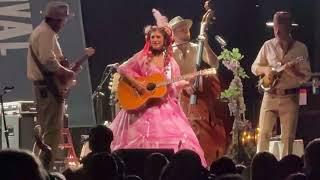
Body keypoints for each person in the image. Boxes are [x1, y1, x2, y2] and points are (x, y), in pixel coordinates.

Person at [110, 9, 207, 166]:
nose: (155, 40)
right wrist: (139, 86)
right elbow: (122, 69)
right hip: (141, 107)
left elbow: (171, 89)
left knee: (180, 138)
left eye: (158, 37)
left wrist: (183, 83)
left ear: (165, 40)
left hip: (165, 107)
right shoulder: (142, 57)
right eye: (152, 37)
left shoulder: (171, 63)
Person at [27, 1, 93, 166]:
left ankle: (36, 167)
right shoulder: (46, 34)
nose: (64, 24)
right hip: (48, 89)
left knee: (46, 132)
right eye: (63, 21)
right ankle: (44, 171)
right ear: (56, 20)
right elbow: (48, 61)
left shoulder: (44, 32)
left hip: (46, 88)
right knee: (52, 134)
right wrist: (67, 72)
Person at [169, 15, 228, 165]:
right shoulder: (169, 53)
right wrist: (184, 85)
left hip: (199, 102)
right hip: (177, 101)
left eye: (186, 27)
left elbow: (214, 65)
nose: (186, 29)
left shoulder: (197, 48)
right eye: (181, 28)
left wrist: (206, 45)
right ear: (173, 34)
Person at [251, 11, 311, 158]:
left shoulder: (300, 49)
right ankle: (261, 168)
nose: (277, 31)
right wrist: (265, 70)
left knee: (288, 138)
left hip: (290, 97)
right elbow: (254, 67)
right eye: (275, 27)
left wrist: (293, 72)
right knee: (263, 134)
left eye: (280, 27)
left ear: (289, 27)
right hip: (269, 96)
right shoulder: (268, 45)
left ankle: (286, 170)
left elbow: (306, 76)